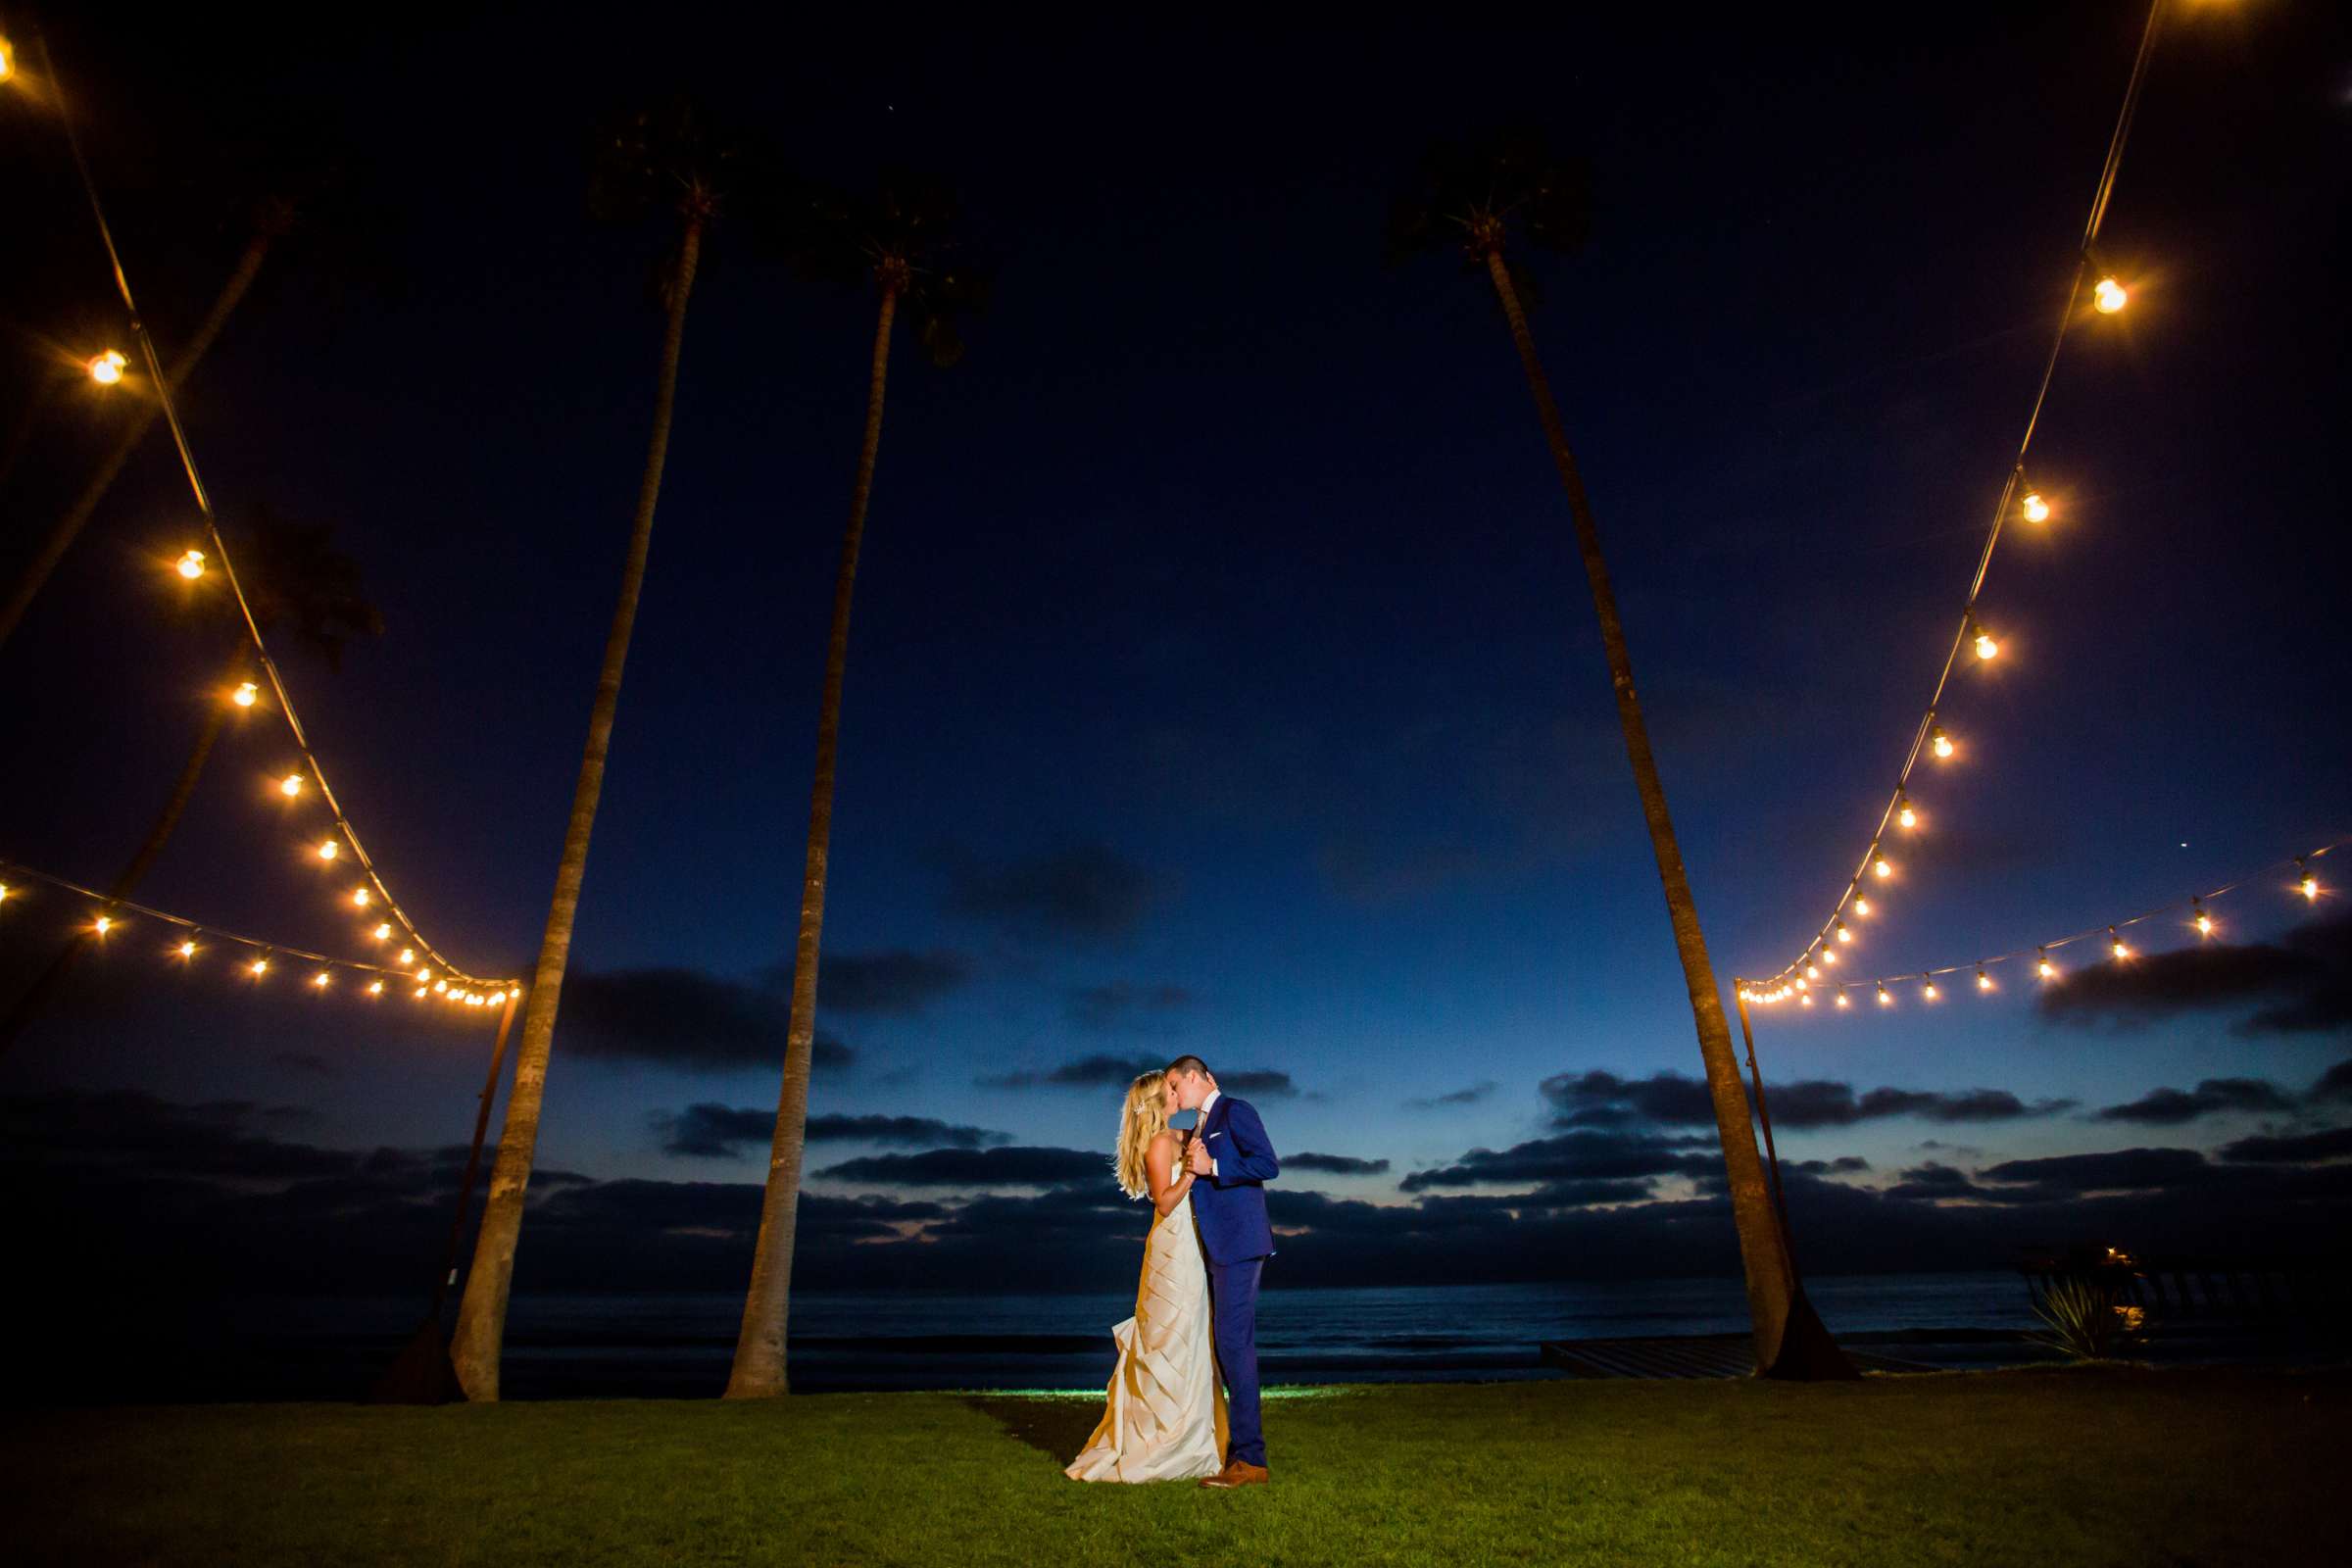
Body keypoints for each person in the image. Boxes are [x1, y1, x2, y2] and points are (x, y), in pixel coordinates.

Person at [1065, 1068, 1228, 1483]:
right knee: (1168, 1339)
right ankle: (1163, 1442)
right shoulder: (1158, 1144)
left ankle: (1194, 1438)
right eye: (1171, 1089)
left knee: (1190, 1337)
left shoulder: (1175, 1136)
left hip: (1189, 1248)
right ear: (1159, 1100)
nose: (1177, 1093)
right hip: (1172, 1250)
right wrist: (1191, 1173)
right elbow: (1165, 1203)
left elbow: (1203, 1133)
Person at [1165, 1054, 1279, 1489]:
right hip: (1220, 1248)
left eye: (1177, 1087)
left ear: (1196, 1078)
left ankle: (1250, 1461)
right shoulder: (1198, 1124)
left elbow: (1268, 1164)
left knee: (1233, 1345)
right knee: (1228, 1345)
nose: (1175, 1095)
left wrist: (1212, 1166)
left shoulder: (1236, 1111)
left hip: (1240, 1244)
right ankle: (1237, 1451)